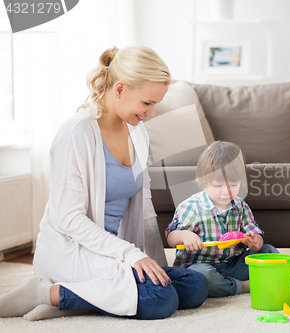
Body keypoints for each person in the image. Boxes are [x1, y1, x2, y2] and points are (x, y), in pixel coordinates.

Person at [0, 45, 208, 321]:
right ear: (120, 89)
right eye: (147, 103)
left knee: (194, 287)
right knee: (161, 300)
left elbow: (144, 212)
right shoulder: (76, 134)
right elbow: (70, 219)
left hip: (113, 254)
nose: (153, 113)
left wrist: (153, 265)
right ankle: (44, 293)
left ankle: (79, 299)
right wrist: (130, 255)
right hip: (73, 252)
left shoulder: (137, 133)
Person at [166, 141, 279, 297]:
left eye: (233, 184)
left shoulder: (241, 206)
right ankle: (244, 287)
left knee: (269, 251)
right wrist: (184, 236)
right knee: (202, 278)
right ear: (203, 181)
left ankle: (261, 279)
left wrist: (254, 242)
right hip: (201, 265)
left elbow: (256, 240)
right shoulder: (191, 207)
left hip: (233, 263)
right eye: (218, 185)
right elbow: (171, 238)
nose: (226, 192)